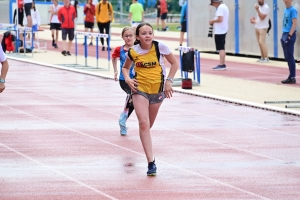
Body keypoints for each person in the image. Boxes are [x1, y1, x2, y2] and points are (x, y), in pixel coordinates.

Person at [122, 22, 179, 176]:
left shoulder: (160, 47)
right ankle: (151, 162)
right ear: (138, 36)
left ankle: (144, 137)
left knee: (148, 125)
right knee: (143, 123)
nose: (147, 35)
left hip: (158, 90)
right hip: (140, 89)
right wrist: (127, 78)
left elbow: (174, 63)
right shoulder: (133, 51)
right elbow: (126, 68)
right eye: (144, 33)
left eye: (150, 33)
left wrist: (169, 81)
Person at [111, 27, 136, 135]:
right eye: (126, 36)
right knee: (133, 96)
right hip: (124, 80)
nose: (128, 38)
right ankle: (123, 119)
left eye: (131, 35)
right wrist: (115, 70)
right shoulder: (119, 49)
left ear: (135, 36)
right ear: (122, 37)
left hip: (136, 80)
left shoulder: (138, 49)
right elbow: (113, 58)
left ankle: (123, 119)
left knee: (135, 101)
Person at [280, 0, 298, 84]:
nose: (286, 1)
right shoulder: (285, 9)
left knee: (290, 57)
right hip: (284, 34)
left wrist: (289, 35)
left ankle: (292, 77)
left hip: (289, 34)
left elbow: (295, 24)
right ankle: (291, 75)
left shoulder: (293, 10)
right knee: (287, 57)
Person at [209, 0, 229, 70]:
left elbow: (220, 19)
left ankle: (221, 64)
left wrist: (213, 21)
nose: (213, 5)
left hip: (220, 31)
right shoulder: (224, 6)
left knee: (221, 48)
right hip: (222, 29)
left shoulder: (220, 7)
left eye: (213, 4)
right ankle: (222, 63)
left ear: (215, 2)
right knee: (221, 47)